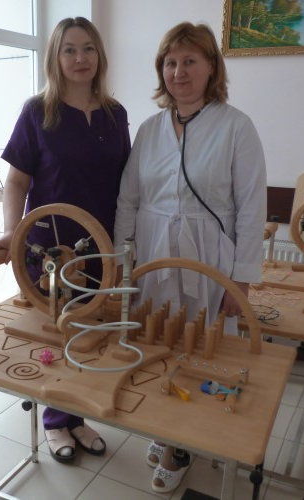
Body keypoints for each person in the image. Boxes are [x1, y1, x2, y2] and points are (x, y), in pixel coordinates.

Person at [113, 22, 266, 493]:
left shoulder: (236, 126)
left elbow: (252, 208)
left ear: (211, 67)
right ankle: (166, 429)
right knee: (159, 343)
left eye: (190, 61)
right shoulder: (149, 129)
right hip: (155, 253)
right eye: (171, 62)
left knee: (203, 349)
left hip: (210, 257)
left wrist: (240, 283)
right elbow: (128, 200)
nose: (179, 71)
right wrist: (121, 263)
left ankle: (186, 444)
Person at [0, 17, 131, 463]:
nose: (80, 58)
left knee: (89, 338)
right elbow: (16, 182)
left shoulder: (115, 114)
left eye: (88, 48)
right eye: (70, 49)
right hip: (51, 247)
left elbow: (126, 183)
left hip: (101, 246)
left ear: (99, 55)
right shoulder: (38, 111)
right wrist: (12, 233)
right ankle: (54, 423)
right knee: (55, 335)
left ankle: (76, 417)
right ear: (56, 57)